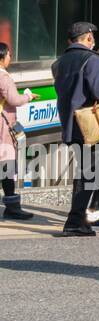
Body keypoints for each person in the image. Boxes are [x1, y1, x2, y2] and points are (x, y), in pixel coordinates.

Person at [54, 21, 99, 237]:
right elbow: (98, 92)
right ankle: (75, 222)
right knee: (89, 175)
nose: (93, 41)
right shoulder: (92, 59)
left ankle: (76, 220)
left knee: (84, 173)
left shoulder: (61, 62)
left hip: (70, 124)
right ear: (88, 38)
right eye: (92, 37)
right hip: (89, 127)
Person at [0, 42, 34, 220]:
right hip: (3, 127)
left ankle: (12, 206)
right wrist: (28, 96)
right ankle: (12, 207)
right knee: (7, 165)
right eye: (9, 55)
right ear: (3, 56)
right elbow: (13, 99)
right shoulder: (3, 77)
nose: (10, 58)